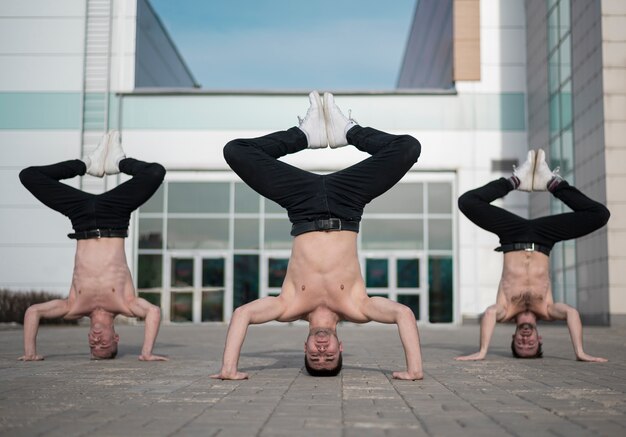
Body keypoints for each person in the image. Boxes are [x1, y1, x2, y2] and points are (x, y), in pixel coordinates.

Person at [211, 91, 423, 380]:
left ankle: (303, 135)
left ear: (305, 346)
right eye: (329, 355)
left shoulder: (288, 306)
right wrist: (415, 370)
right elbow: (403, 315)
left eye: (314, 355)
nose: (321, 350)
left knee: (236, 151)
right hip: (348, 205)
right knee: (408, 147)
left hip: (302, 207)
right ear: (341, 346)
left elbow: (242, 315)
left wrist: (228, 369)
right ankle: (349, 131)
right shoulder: (358, 307)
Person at [18, 131, 168, 361]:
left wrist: (30, 353)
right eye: (103, 345)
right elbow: (153, 312)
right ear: (116, 338)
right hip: (114, 217)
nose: (96, 341)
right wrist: (146, 352)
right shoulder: (126, 305)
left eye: (93, 346)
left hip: (81, 220)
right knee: (155, 172)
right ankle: (119, 161)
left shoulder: (73, 307)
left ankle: (86, 164)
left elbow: (33, 312)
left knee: (28, 175)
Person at [455, 149, 610, 362]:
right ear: (540, 338)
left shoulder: (505, 311)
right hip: (545, 239)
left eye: (520, 344)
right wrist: (580, 352)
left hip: (511, 236)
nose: (525, 340)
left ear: (513, 336)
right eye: (531, 344)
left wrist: (483, 351)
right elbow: (572, 313)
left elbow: (490, 314)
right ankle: (552, 183)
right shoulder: (548, 310)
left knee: (467, 202)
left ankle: (515, 180)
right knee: (600, 215)